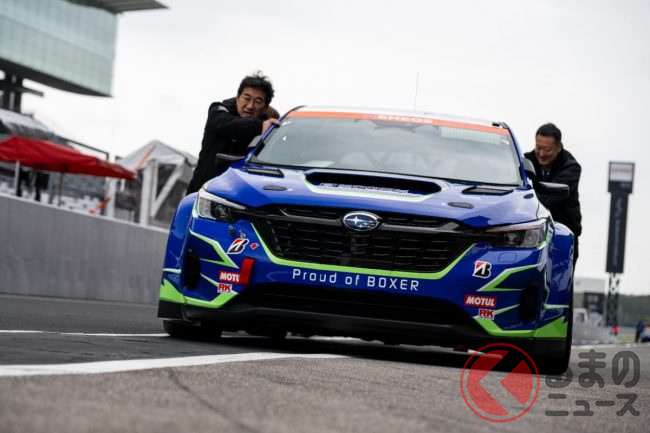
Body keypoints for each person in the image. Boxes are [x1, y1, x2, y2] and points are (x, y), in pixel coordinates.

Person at [186, 72, 279, 195]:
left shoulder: (269, 129)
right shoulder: (218, 111)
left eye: (257, 101)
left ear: (265, 107)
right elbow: (227, 124)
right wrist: (259, 127)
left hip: (240, 197)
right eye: (246, 98)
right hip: (201, 192)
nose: (250, 106)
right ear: (238, 97)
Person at [524, 123, 582, 265]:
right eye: (538, 147)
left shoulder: (571, 167)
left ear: (558, 147)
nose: (541, 154)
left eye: (547, 150)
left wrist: (527, 199)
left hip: (562, 232)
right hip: (531, 234)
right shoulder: (526, 162)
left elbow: (550, 199)